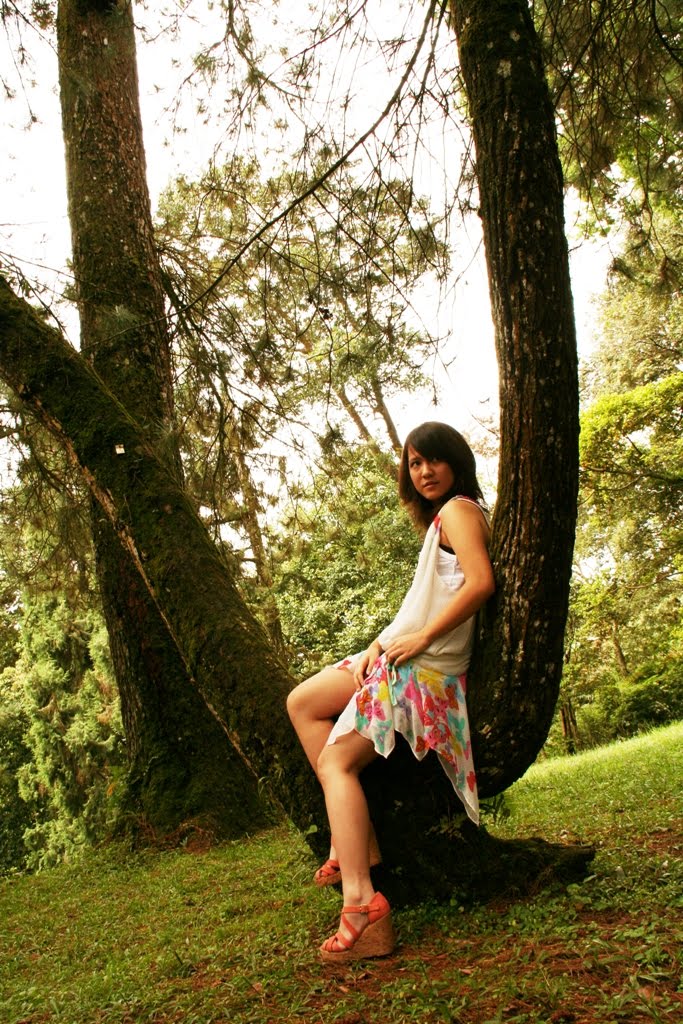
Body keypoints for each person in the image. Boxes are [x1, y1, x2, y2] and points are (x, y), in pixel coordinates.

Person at [286, 421, 495, 963]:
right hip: (403, 654)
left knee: (335, 763)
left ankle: (361, 901)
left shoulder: (459, 511)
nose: (424, 471)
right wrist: (375, 645)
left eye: (433, 460)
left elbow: (480, 583)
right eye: (414, 463)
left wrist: (420, 639)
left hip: (426, 669)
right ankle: (355, 840)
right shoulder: (443, 520)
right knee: (303, 702)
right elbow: (420, 603)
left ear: (456, 462)